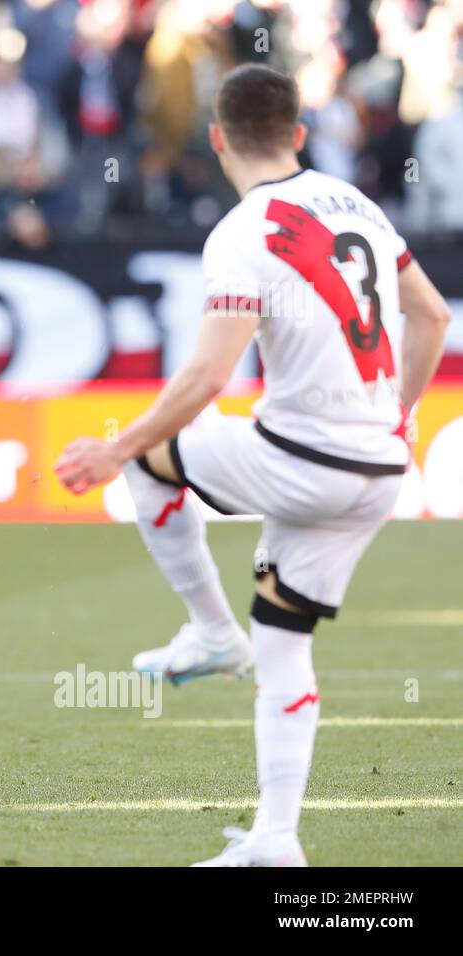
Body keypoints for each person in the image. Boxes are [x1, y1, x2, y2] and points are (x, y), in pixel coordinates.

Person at [54, 64, 451, 866]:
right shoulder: (362, 206)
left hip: (303, 456)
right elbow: (432, 315)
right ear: (299, 134)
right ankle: (276, 837)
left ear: (216, 140)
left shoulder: (243, 231)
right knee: (284, 637)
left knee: (150, 462)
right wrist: (397, 417)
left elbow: (204, 379)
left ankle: (208, 633)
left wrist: (112, 447)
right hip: (376, 470)